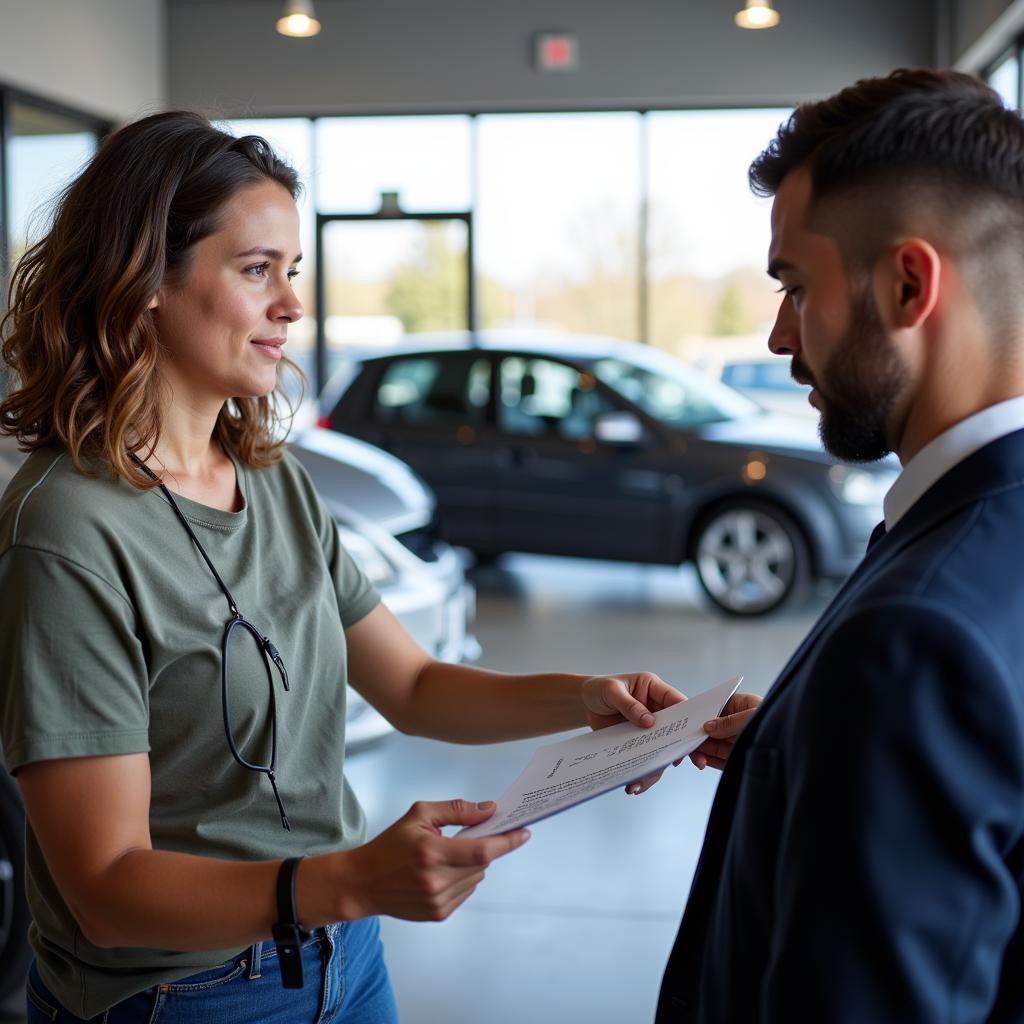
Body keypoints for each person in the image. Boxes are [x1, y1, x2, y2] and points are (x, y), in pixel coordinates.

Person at [0, 110, 748, 1024]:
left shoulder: (274, 485)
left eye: (294, 272)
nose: (293, 306)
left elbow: (417, 685)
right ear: (146, 279)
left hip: (342, 961)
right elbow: (105, 888)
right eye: (256, 270)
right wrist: (347, 880)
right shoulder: (68, 532)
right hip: (180, 996)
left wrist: (585, 696)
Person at [657, 67, 1024, 1023]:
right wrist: (798, 745)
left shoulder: (910, 644)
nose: (781, 337)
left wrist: (863, 723)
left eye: (795, 284)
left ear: (909, 284)